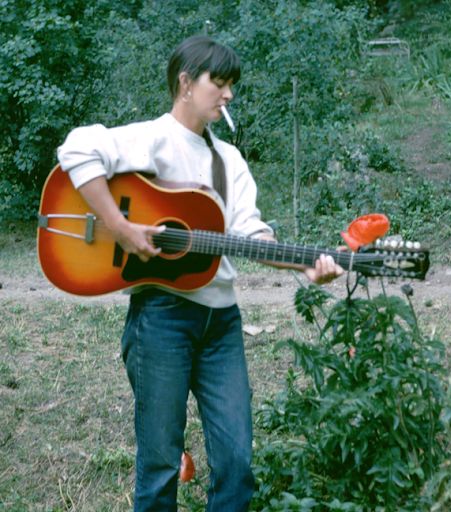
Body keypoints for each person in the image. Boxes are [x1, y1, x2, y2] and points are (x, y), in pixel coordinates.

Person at [57, 35, 343, 512]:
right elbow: (76, 151)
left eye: (233, 85)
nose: (229, 94)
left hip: (221, 325)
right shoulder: (151, 137)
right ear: (186, 83)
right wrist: (121, 227)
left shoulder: (228, 160)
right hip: (162, 319)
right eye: (220, 82)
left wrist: (307, 266)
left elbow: (253, 235)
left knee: (236, 464)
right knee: (160, 465)